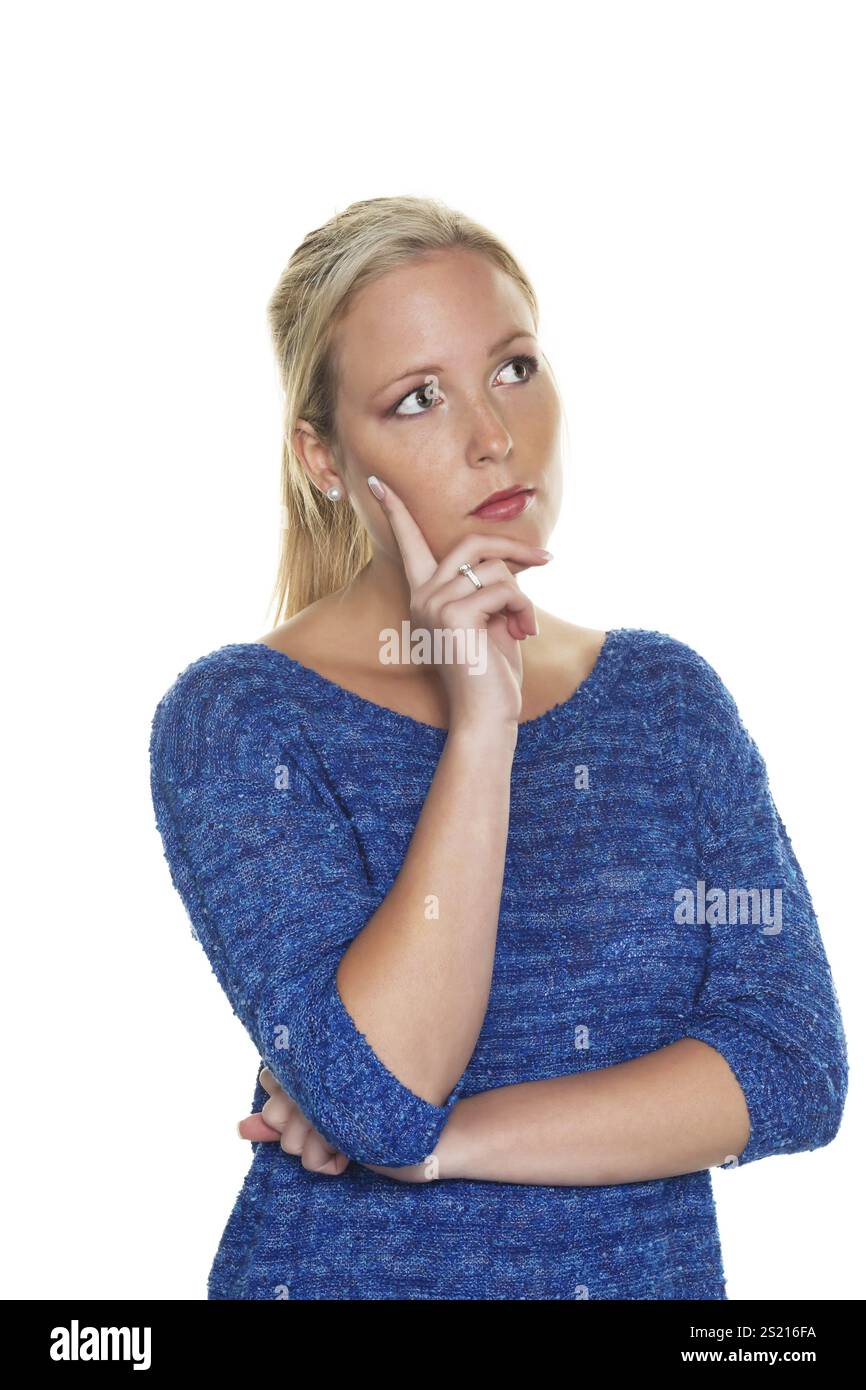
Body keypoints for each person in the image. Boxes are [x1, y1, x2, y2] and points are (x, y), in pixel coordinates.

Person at [149, 194, 848, 1300]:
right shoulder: (239, 720)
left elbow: (792, 1068)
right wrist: (480, 731)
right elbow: (382, 1089)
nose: (491, 434)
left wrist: (440, 1143)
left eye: (512, 367)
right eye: (417, 398)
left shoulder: (664, 701)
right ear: (323, 459)